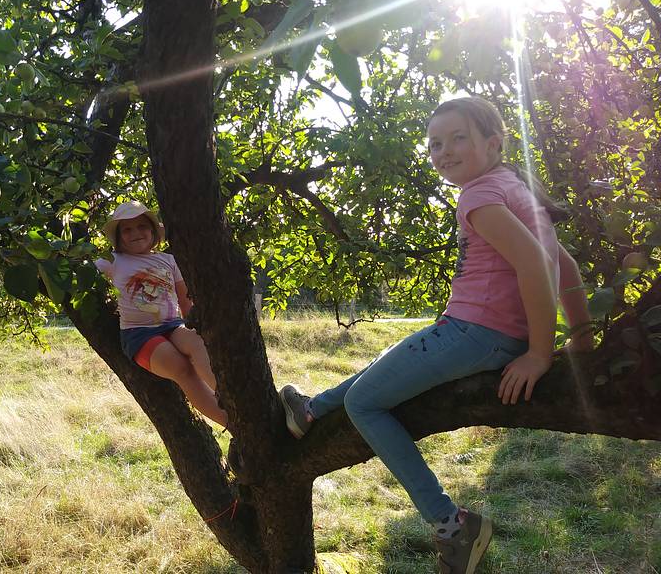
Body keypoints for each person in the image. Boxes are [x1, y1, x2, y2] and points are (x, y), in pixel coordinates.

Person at [279, 96, 594, 574]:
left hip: (477, 332)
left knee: (366, 403)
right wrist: (585, 340)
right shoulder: (515, 189)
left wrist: (539, 352)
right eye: (434, 144)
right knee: (390, 362)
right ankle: (311, 410)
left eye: (457, 138)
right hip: (473, 330)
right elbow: (565, 265)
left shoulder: (479, 195)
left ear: (493, 143)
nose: (443, 151)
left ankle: (450, 525)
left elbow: (536, 264)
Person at [95, 200, 228, 428]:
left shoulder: (168, 260)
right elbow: (80, 272)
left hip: (173, 326)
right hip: (140, 334)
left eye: (142, 227)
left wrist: (194, 324)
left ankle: (231, 399)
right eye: (127, 229)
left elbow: (185, 299)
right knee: (181, 368)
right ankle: (229, 421)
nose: (136, 233)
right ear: (118, 236)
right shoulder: (112, 261)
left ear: (153, 231)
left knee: (197, 342)